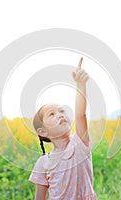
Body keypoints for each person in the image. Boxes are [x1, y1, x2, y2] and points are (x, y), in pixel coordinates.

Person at [29, 57, 98, 200]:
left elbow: (80, 115)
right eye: (52, 114)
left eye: (62, 111)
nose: (60, 115)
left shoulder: (79, 144)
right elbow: (39, 198)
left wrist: (80, 85)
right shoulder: (43, 163)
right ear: (43, 132)